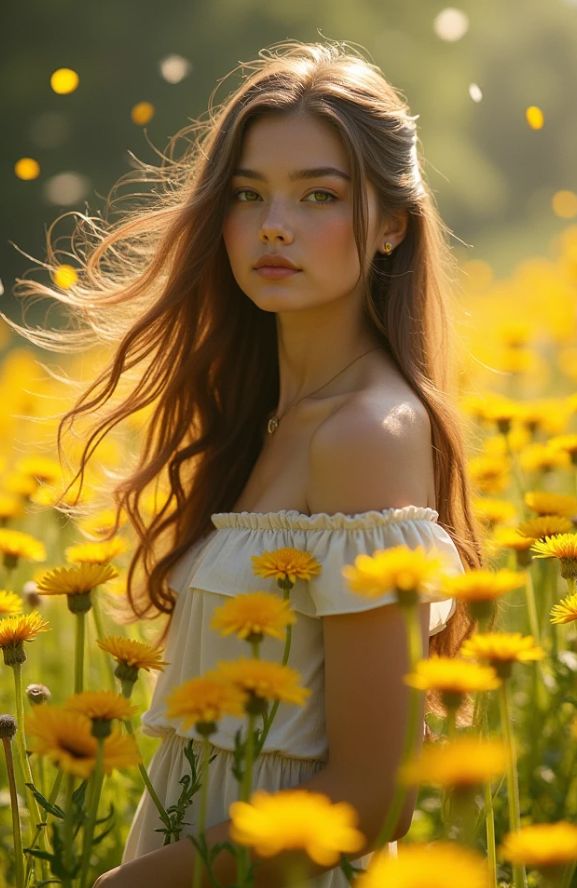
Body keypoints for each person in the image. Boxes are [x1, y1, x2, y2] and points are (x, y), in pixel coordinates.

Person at [7, 39, 485, 887]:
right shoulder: (267, 419)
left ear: (390, 227)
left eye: (319, 196)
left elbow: (374, 797)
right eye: (248, 193)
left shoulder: (364, 435)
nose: (274, 224)